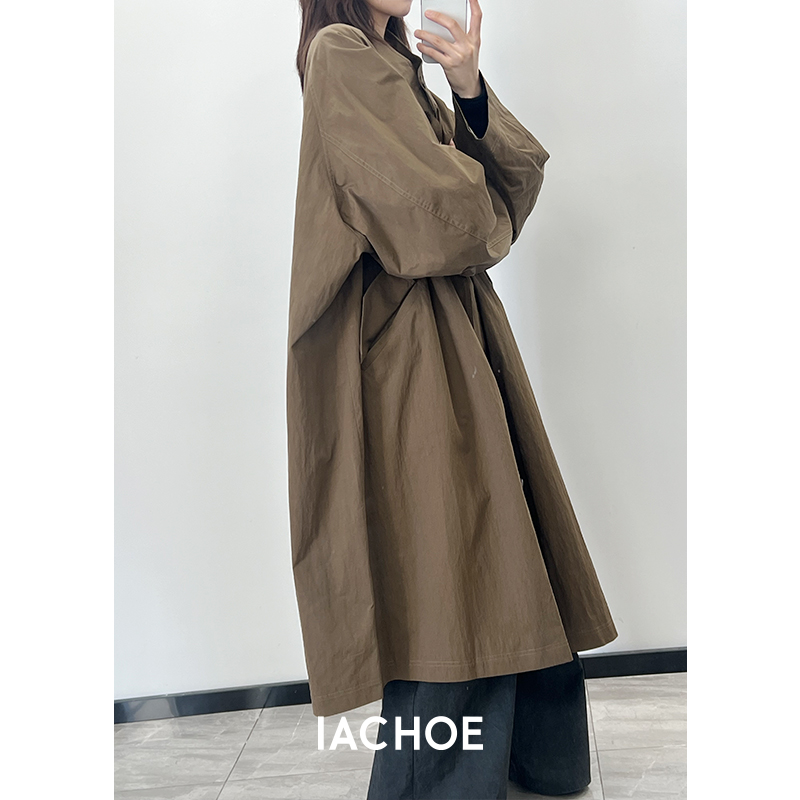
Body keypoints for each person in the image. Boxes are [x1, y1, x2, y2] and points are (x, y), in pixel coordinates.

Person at [287, 1, 618, 796]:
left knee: (493, 546)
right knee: (446, 565)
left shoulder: (395, 65)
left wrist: (468, 88)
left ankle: (526, 761)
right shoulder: (341, 53)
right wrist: (475, 203)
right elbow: (442, 218)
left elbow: (503, 191)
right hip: (408, 352)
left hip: (453, 334)